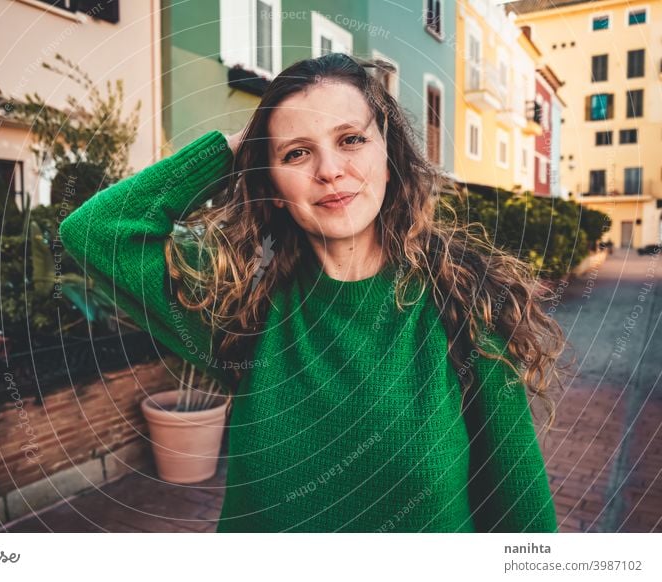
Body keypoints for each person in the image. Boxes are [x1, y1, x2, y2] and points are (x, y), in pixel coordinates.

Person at [59, 52, 569, 533]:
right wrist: (238, 146)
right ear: (273, 188)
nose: (328, 170)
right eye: (298, 152)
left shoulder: (465, 310)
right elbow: (95, 231)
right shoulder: (243, 306)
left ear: (389, 157)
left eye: (351, 140)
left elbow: (522, 521)